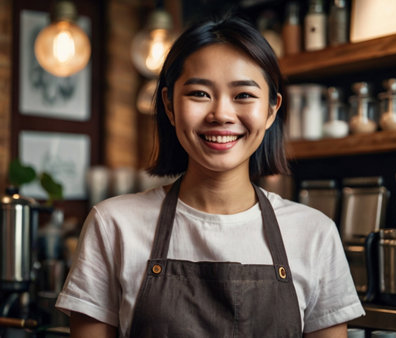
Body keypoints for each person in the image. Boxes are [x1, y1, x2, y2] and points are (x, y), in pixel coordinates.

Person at [56, 16, 364, 337]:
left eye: (243, 95)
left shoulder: (314, 234)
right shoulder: (113, 225)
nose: (221, 114)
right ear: (169, 105)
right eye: (200, 94)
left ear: (272, 110)